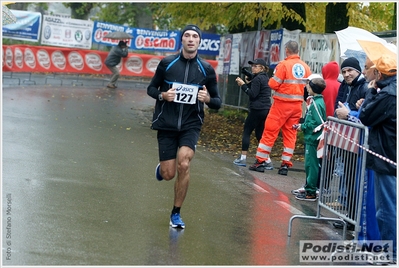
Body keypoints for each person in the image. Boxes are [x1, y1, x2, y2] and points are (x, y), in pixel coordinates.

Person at [147, 24, 221, 229]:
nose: (190, 39)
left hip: (191, 125)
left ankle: (176, 214)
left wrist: (207, 98)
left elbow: (217, 102)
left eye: (194, 36)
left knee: (184, 164)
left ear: (199, 41)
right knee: (170, 173)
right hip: (167, 124)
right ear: (182, 40)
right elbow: (151, 88)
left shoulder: (206, 69)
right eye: (187, 35)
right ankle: (162, 170)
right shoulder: (167, 63)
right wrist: (163, 95)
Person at [249, 40, 311, 175]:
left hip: (281, 105)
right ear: (297, 51)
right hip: (297, 107)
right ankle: (285, 165)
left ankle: (260, 162)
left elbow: (273, 84)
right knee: (290, 135)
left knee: (270, 132)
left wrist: (272, 79)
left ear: (287, 50)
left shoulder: (283, 65)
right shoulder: (306, 67)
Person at [359, 54, 396, 263]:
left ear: (379, 74)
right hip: (391, 154)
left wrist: (372, 91)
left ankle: (390, 254)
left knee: (387, 208)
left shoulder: (389, 94)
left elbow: (366, 116)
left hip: (387, 156)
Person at [233, 58, 272, 167]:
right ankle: (267, 160)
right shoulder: (265, 78)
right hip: (265, 109)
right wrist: (248, 81)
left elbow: (252, 94)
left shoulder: (257, 79)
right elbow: (256, 89)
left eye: (256, 66)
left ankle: (243, 158)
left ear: (262, 68)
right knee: (260, 135)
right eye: (252, 65)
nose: (253, 67)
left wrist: (242, 85)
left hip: (256, 109)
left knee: (247, 131)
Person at [294, 77, 326, 201]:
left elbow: (317, 123)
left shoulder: (316, 104)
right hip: (311, 138)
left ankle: (311, 191)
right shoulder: (315, 101)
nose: (306, 88)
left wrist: (303, 126)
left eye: (308, 86)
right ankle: (309, 188)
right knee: (309, 165)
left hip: (313, 139)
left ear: (313, 88)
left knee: (311, 165)